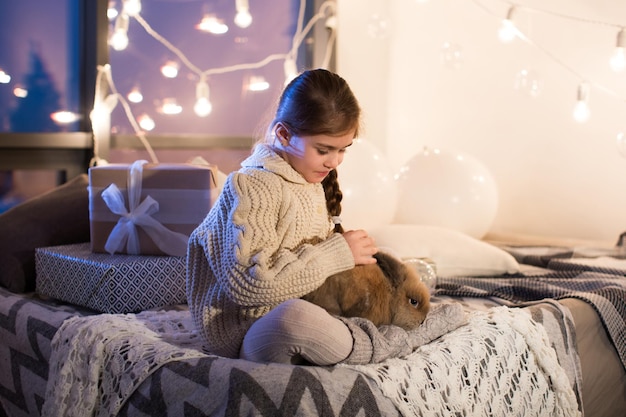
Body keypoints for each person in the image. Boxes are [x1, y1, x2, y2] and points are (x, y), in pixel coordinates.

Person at [187, 68, 462, 366]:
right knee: (296, 321)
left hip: (306, 304)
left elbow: (313, 266)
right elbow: (251, 285)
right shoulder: (252, 187)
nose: (334, 161)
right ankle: (391, 342)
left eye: (343, 149)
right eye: (324, 150)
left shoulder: (309, 180)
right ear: (283, 134)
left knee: (384, 269)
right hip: (250, 328)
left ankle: (369, 332)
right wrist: (337, 253)